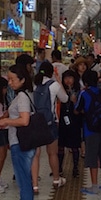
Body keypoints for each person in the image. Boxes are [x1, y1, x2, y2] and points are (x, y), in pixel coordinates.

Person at [0, 63, 34, 200]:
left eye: (13, 79)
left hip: (21, 144)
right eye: (8, 79)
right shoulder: (22, 95)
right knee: (23, 180)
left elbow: (24, 120)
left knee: (23, 181)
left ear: (22, 80)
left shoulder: (23, 97)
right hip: (20, 142)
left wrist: (6, 121)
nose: (10, 83)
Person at [75, 69, 101, 194]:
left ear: (85, 82)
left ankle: (94, 186)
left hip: (90, 129)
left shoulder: (84, 93)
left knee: (92, 157)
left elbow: (77, 110)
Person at [31, 61, 68, 193]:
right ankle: (56, 180)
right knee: (52, 153)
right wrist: (59, 81)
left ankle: (35, 185)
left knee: (35, 154)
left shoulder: (34, 85)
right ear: (51, 72)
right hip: (50, 123)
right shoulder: (54, 85)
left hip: (35, 123)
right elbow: (65, 99)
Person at [58, 70, 82, 178]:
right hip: (62, 119)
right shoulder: (60, 91)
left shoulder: (79, 91)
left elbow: (81, 107)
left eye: (70, 78)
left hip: (75, 120)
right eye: (66, 78)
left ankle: (75, 167)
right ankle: (58, 167)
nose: (68, 80)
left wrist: (75, 102)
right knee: (60, 145)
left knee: (74, 145)